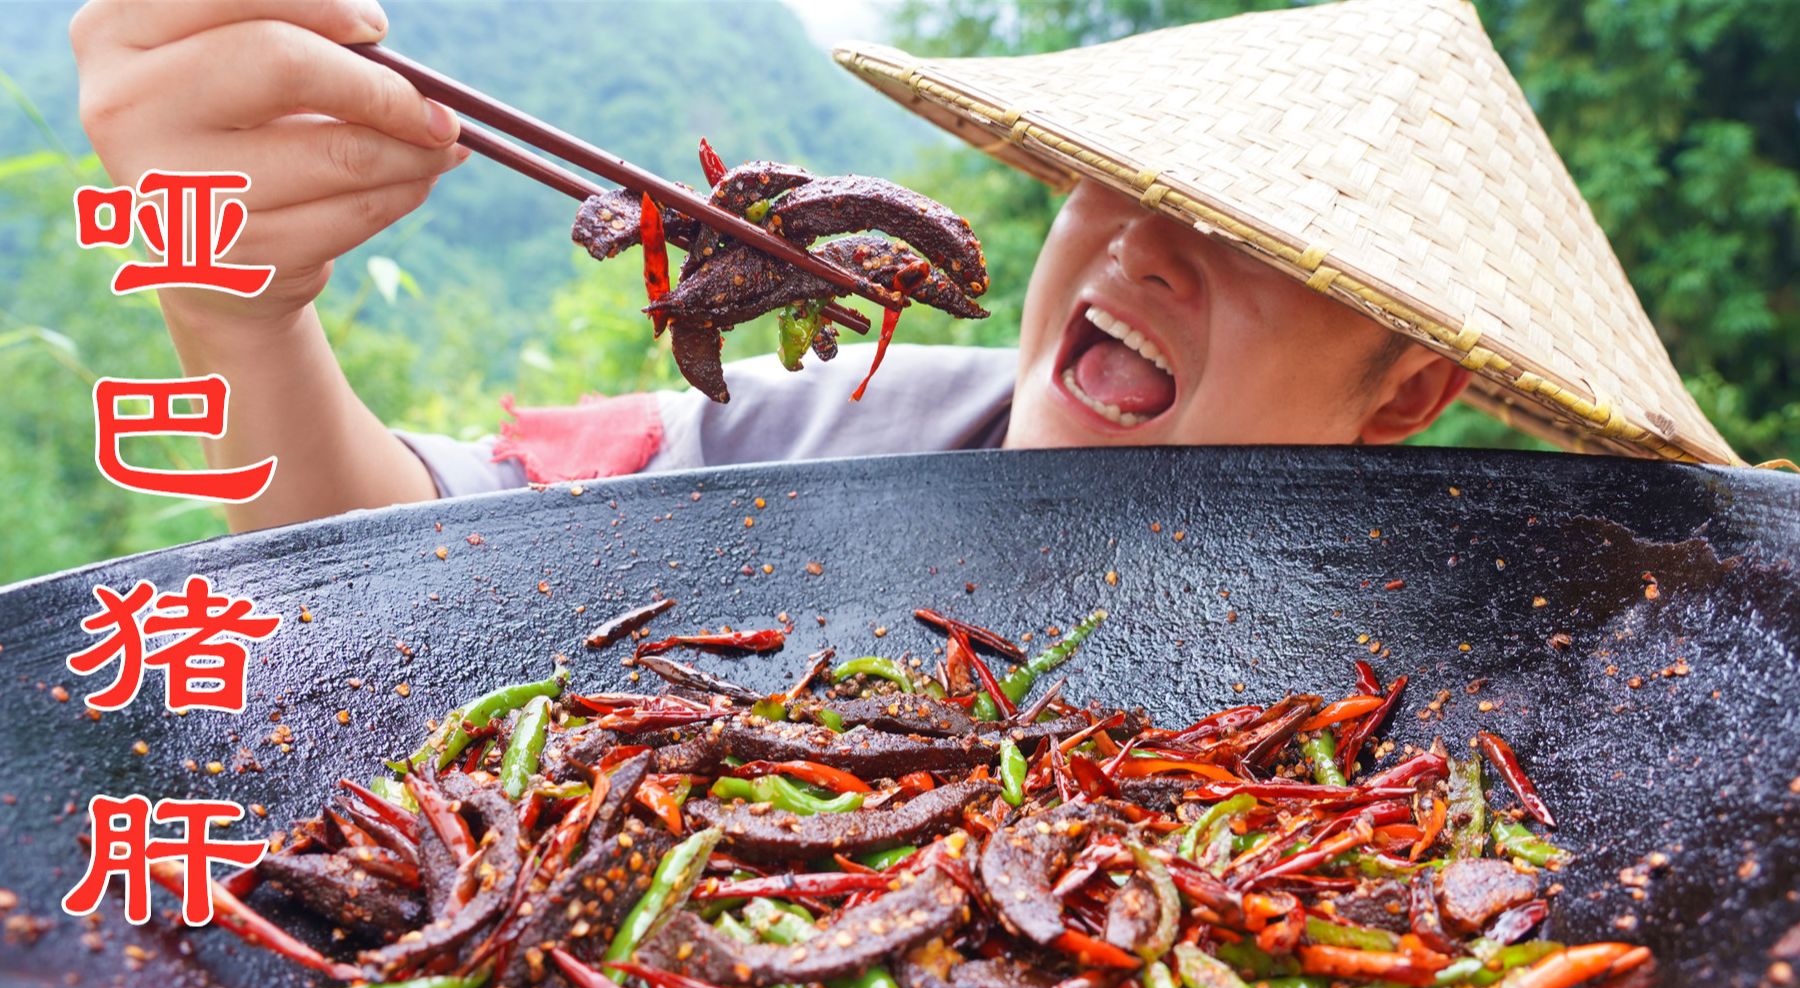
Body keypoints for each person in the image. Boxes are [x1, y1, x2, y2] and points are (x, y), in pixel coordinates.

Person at [70, 0, 1731, 534]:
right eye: (1122, 184)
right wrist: (239, 307)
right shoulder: (809, 448)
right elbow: (396, 540)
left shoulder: (1477, 639)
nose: (1137, 240)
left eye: (1251, 237)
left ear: (1414, 388)